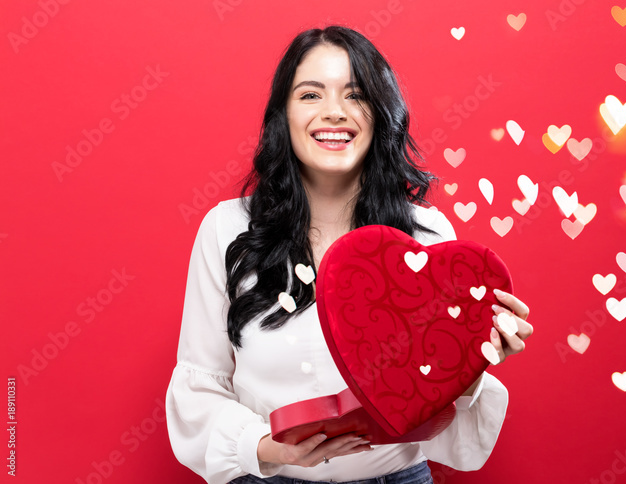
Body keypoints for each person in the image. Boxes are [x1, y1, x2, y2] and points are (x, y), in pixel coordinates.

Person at [165, 25, 533, 484]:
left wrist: (474, 360)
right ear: (284, 114)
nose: (334, 113)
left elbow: (437, 402)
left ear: (380, 113)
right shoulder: (227, 228)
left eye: (355, 95)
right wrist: (265, 448)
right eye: (311, 95)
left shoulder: (428, 237)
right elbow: (199, 384)